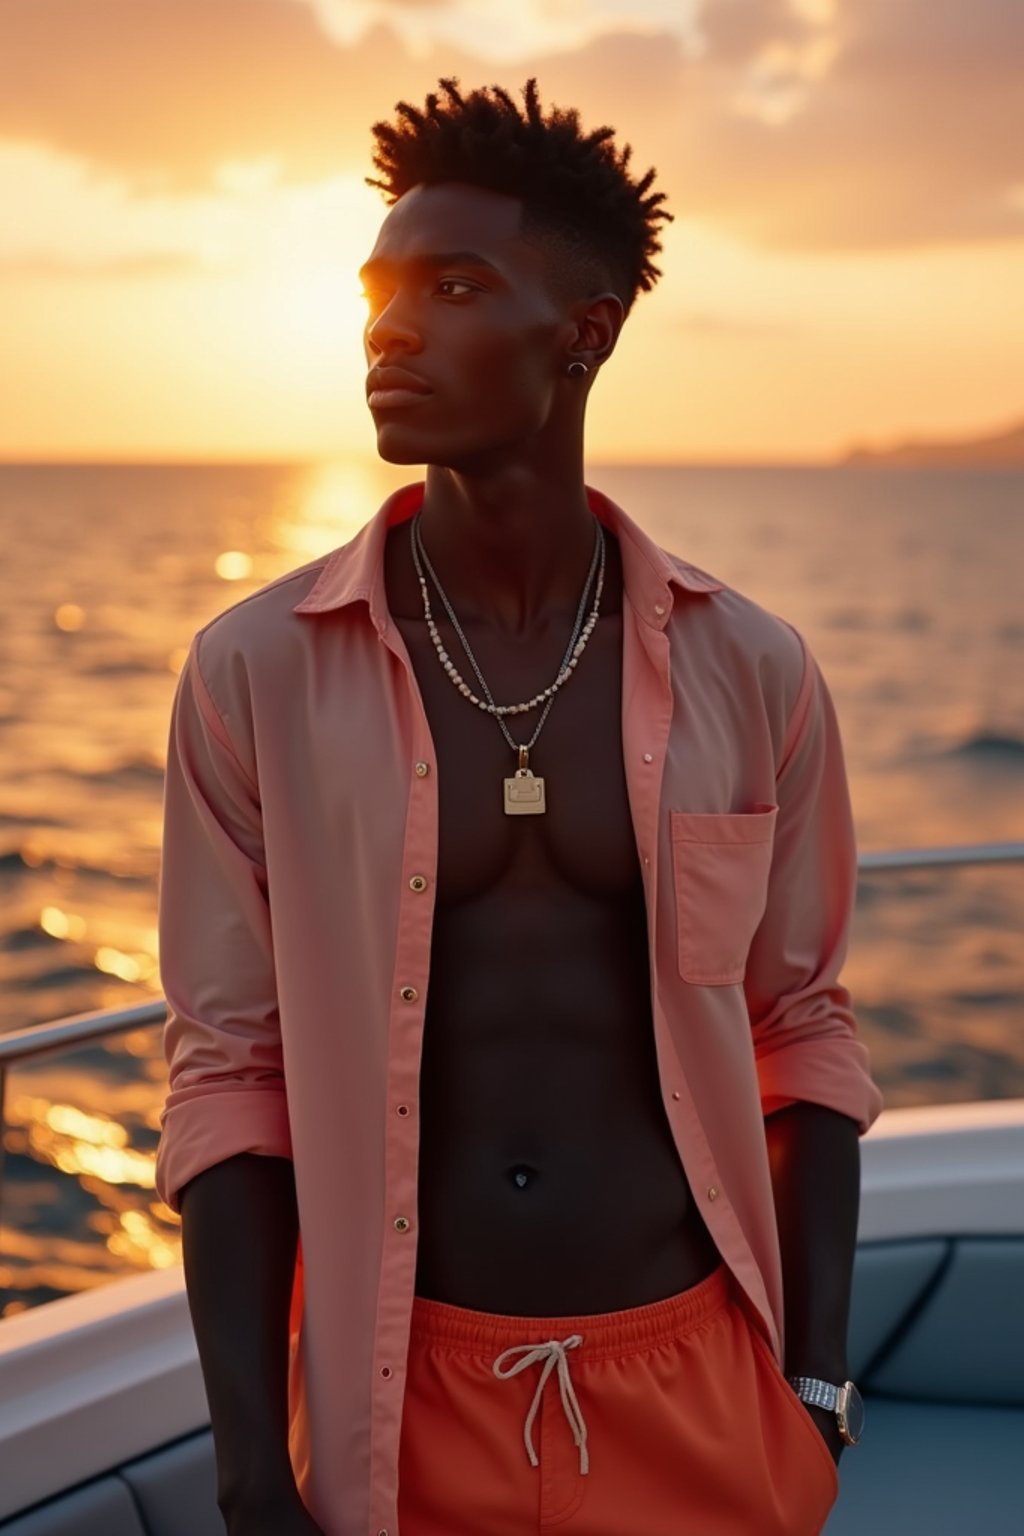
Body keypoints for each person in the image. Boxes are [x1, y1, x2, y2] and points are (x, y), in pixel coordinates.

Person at [154, 78, 882, 1536]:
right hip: (403, 1408)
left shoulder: (753, 667)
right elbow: (232, 1073)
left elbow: (800, 1030)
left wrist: (813, 1391)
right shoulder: (256, 672)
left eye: (456, 285)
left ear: (587, 330)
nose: (390, 328)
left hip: (700, 1386)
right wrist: (249, 1473)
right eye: (376, 290)